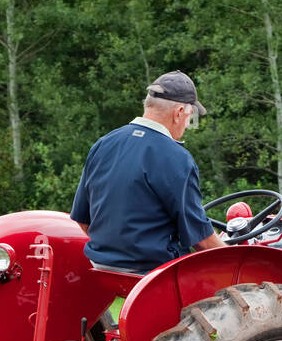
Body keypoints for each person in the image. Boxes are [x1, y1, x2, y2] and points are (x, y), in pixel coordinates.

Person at [70, 71, 225, 274]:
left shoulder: (104, 144)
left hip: (102, 267)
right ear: (179, 112)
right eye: (189, 117)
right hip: (154, 270)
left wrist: (117, 252)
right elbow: (201, 240)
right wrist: (233, 257)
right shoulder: (177, 157)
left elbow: (83, 220)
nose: (187, 125)